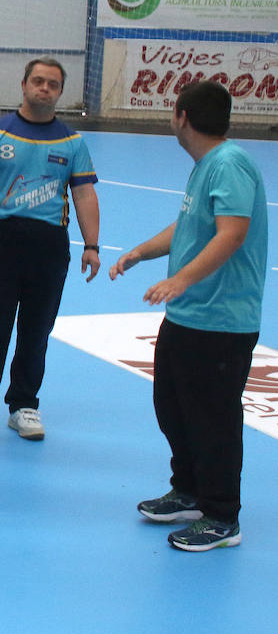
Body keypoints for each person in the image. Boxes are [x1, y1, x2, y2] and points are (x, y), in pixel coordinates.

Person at [109, 80, 267, 552]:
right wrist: (143, 251)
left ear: (181, 116)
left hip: (222, 320)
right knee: (174, 407)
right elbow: (189, 225)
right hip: (189, 316)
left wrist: (182, 279)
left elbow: (231, 233)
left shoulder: (230, 164)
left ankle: (222, 516)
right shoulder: (207, 167)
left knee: (213, 418)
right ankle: (190, 491)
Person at [0, 57, 101, 440]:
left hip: (50, 248)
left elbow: (85, 194)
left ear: (59, 92)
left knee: (36, 331)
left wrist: (91, 245)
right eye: (37, 81)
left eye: (52, 84)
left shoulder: (73, 142)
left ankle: (23, 405)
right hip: (2, 244)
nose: (44, 88)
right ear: (23, 85)